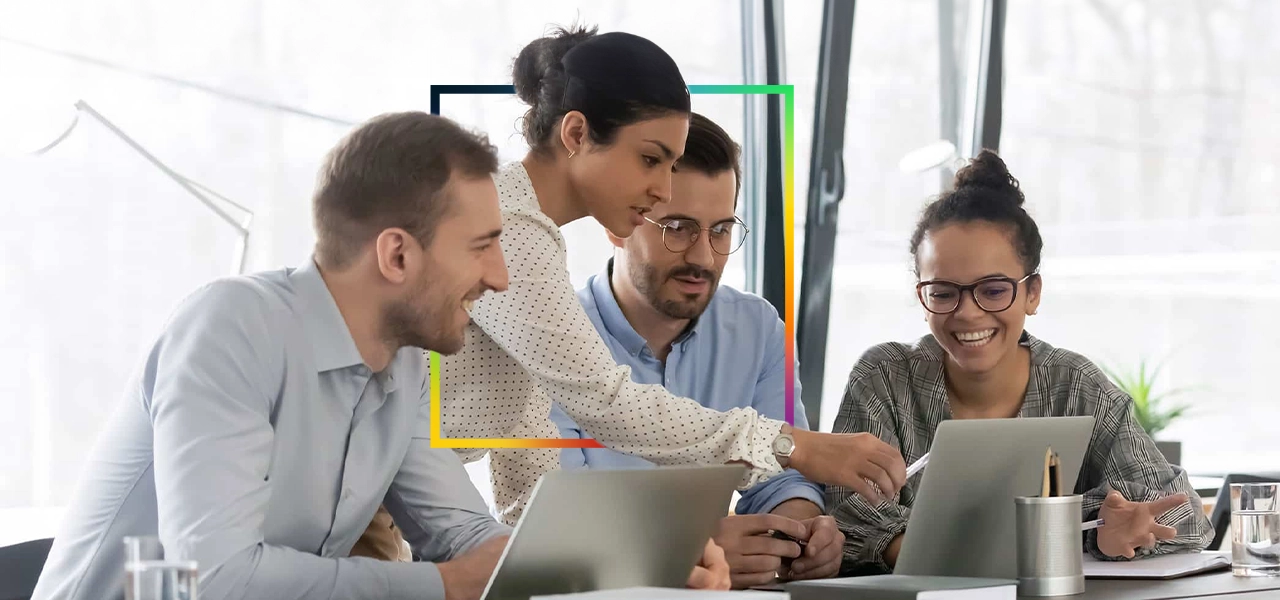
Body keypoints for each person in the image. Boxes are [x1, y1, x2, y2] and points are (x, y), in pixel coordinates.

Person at [31, 112, 728, 600]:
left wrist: (635, 567)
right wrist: (441, 588)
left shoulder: (397, 366)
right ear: (397, 253)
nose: (500, 277)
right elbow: (213, 579)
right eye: (482, 246)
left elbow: (464, 537)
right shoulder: (231, 331)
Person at [433, 24, 907, 528]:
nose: (662, 189)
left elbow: (527, 461)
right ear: (575, 135)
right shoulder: (510, 230)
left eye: (671, 164)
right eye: (650, 159)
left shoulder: (532, 237)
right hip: (363, 498)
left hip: (394, 501)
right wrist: (791, 446)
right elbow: (607, 404)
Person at [827, 150, 1214, 575]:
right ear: (922, 296)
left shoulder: (1076, 384)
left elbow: (1186, 515)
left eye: (993, 290)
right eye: (942, 292)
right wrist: (1062, 525)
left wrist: (1108, 529)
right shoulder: (884, 377)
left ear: (1033, 293)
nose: (968, 313)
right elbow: (847, 515)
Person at [548, 113, 843, 588]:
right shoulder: (554, 338)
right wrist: (691, 548)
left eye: (721, 230)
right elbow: (557, 521)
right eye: (678, 228)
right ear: (618, 224)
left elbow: (782, 476)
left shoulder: (759, 330)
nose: (703, 257)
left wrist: (799, 532)